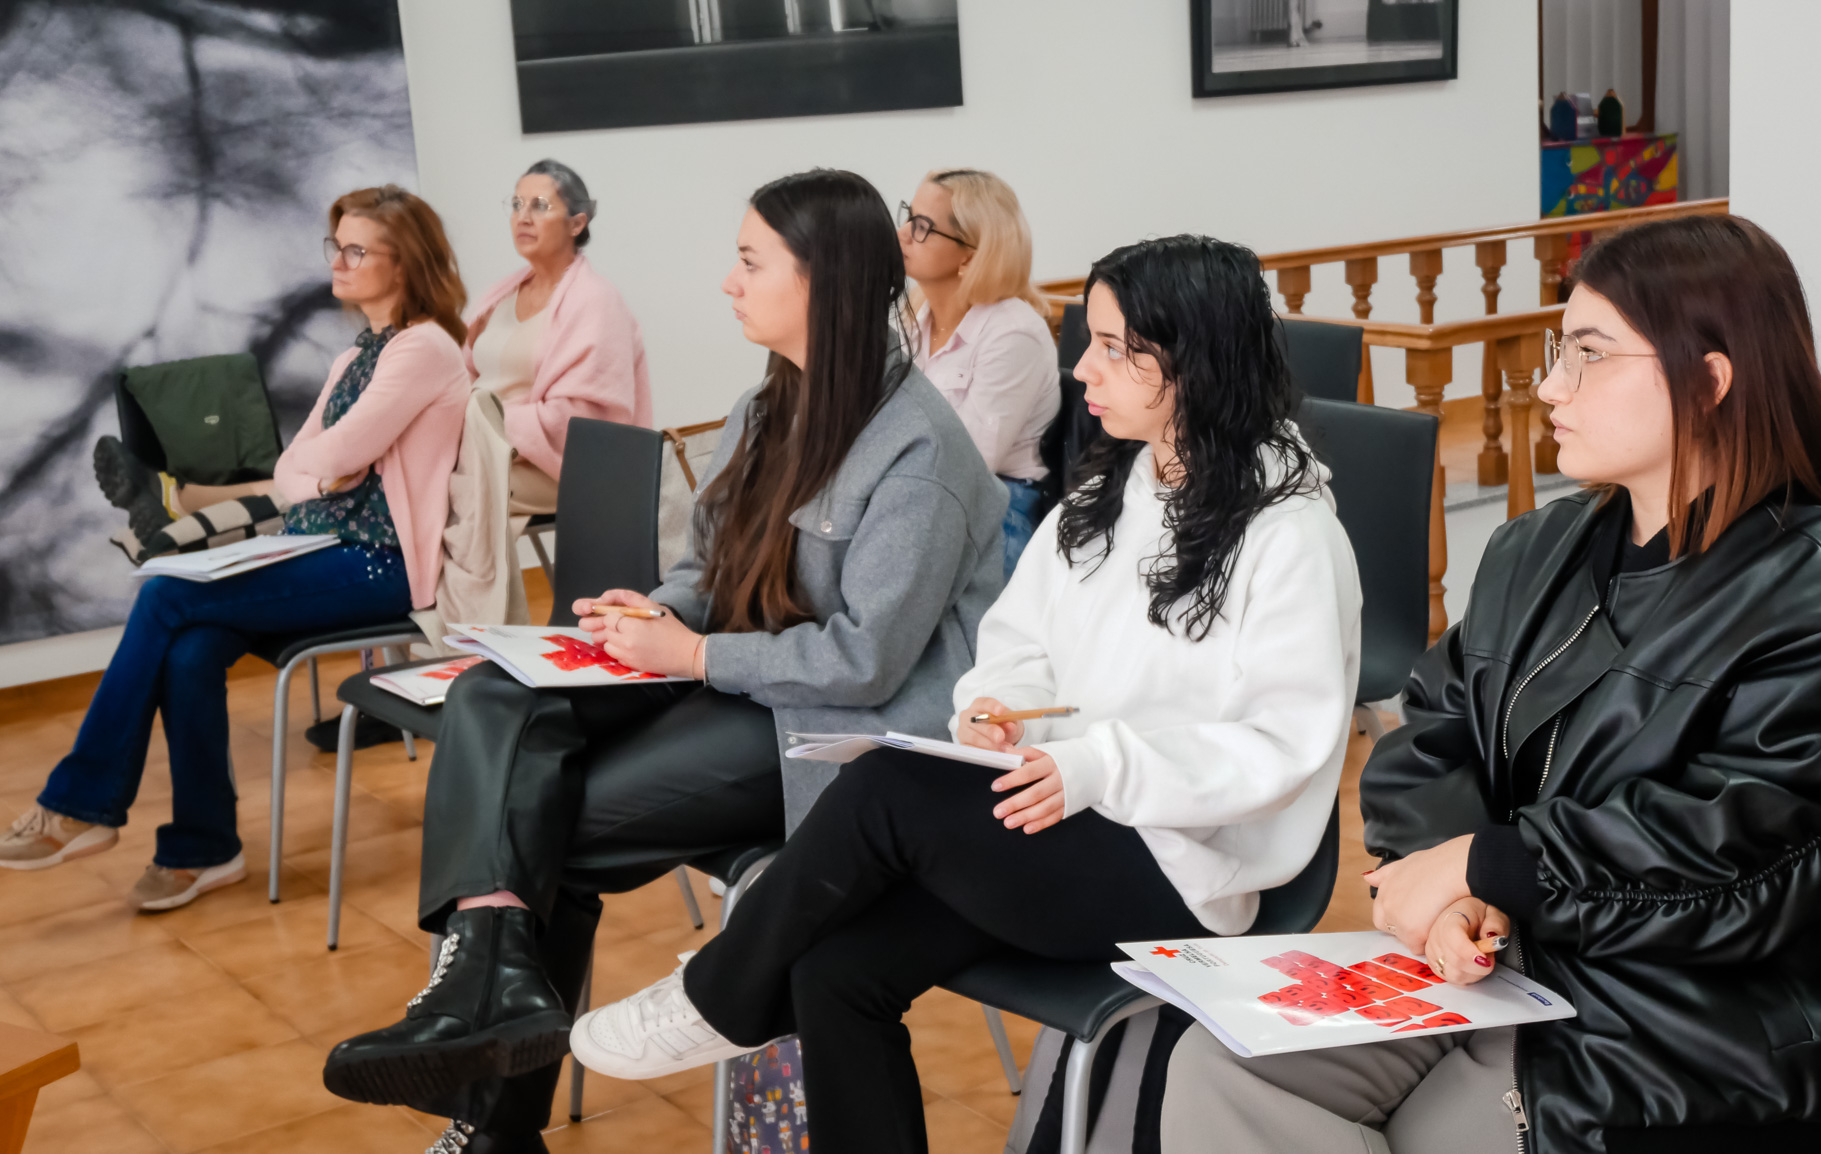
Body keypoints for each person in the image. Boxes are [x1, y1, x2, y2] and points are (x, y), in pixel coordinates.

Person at [560, 235, 1363, 1153]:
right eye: (1090, 342)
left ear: (1198, 360)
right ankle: (738, 988)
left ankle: (719, 994)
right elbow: (1017, 645)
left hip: (1180, 869)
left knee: (886, 787)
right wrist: (997, 708)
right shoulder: (1108, 494)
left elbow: (1281, 747)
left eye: (1114, 348)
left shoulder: (1291, 536)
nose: (1081, 368)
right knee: (834, 972)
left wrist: (1097, 765)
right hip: (1060, 817)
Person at [1159, 215, 1821, 1154]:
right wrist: (1454, 892)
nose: (1551, 386)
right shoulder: (1536, 550)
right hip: (1507, 957)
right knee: (1219, 1069)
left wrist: (1490, 865)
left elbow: (1737, 867)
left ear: (1709, 380)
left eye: (1590, 355)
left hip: (1687, 1028)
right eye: (1558, 351)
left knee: (1431, 1135)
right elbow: (1434, 733)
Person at [319, 169, 1007, 1153]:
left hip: (831, 732)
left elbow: (865, 662)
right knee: (493, 693)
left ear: (826, 281)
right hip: (732, 681)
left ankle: (490, 1096)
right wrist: (657, 611)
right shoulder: (766, 408)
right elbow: (703, 569)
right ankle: (486, 998)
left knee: (540, 822)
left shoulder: (922, 453)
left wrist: (689, 648)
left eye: (749, 262)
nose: (727, 282)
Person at [0, 186, 469, 910]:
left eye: (356, 250)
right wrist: (316, 473)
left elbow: (336, 452)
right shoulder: (359, 354)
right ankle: (204, 849)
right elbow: (293, 468)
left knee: (165, 595)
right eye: (336, 246)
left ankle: (81, 803)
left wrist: (318, 469)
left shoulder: (425, 349)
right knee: (190, 650)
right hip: (320, 547)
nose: (337, 262)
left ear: (403, 263)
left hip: (383, 564)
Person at [462, 159, 653, 515]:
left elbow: (581, 422)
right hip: (483, 450)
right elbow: (462, 375)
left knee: (450, 493)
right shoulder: (499, 296)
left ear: (577, 224)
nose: (523, 217)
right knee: (416, 481)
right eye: (517, 204)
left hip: (557, 467)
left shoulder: (596, 302)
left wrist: (481, 424)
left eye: (540, 206)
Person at [899, 167, 1059, 576]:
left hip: (1001, 505)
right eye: (908, 217)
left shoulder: (1013, 332)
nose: (902, 234)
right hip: (922, 494)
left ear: (970, 255)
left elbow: (970, 465)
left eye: (921, 227)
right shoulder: (912, 317)